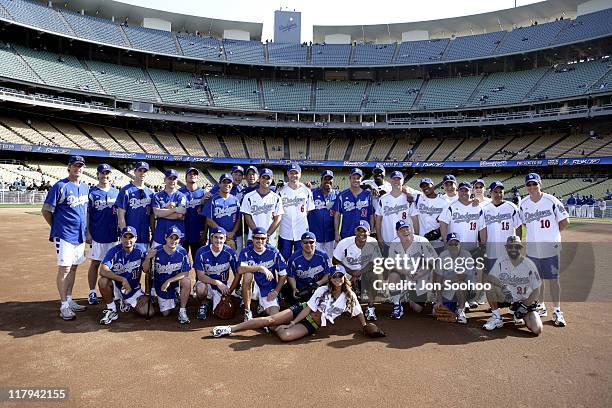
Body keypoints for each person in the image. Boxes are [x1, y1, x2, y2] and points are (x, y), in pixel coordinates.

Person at [211, 265, 367, 341]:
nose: (338, 279)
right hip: (302, 310)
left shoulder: (349, 296)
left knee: (284, 336)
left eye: (340, 276)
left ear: (344, 278)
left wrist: (365, 326)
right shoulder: (322, 291)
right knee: (270, 319)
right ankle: (229, 329)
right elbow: (308, 310)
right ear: (331, 278)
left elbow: (358, 312)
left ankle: (271, 327)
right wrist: (292, 322)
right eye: (335, 276)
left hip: (312, 324)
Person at [41, 155, 89, 321]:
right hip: (65, 235)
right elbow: (46, 210)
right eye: (75, 166)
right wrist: (56, 227)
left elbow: (85, 212)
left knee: (74, 268)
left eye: (81, 166)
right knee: (65, 268)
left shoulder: (85, 187)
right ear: (69, 167)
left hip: (80, 235)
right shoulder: (60, 186)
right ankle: (63, 306)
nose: (78, 168)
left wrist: (87, 232)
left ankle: (69, 299)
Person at [519, 173, 569, 327]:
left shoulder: (551, 200)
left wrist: (553, 235)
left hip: (550, 247)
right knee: (537, 279)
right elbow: (525, 224)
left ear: (540, 184)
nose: (532, 187)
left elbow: (564, 221)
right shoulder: (524, 203)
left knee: (553, 279)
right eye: (529, 185)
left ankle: (557, 310)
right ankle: (541, 305)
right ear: (526, 187)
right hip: (533, 248)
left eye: (535, 184)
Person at [483, 236, 543, 335]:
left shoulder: (529, 265)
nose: (513, 249)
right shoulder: (500, 261)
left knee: (537, 329)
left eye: (516, 247)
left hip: (524, 301)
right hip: (507, 297)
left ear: (521, 248)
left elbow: (537, 290)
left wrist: (524, 305)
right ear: (506, 248)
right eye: (510, 247)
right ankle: (497, 317)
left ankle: (518, 313)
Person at [98, 226, 150, 325]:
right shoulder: (114, 251)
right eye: (125, 237)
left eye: (130, 237)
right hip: (116, 286)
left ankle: (125, 301)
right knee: (103, 281)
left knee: (148, 312)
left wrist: (146, 294)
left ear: (136, 238)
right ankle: (112, 309)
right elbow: (102, 270)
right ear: (121, 238)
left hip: (133, 288)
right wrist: (122, 279)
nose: (127, 240)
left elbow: (147, 271)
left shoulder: (141, 250)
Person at [387, 220, 437, 319]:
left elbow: (434, 260)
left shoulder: (422, 241)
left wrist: (422, 272)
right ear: (397, 233)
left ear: (412, 229)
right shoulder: (394, 244)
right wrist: (407, 272)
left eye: (407, 228)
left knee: (417, 309)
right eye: (402, 230)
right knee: (393, 275)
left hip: (421, 276)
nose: (405, 231)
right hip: (405, 275)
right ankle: (397, 305)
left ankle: (432, 298)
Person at [142, 226, 192, 324]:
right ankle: (174, 298)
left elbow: (185, 272)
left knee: (187, 281)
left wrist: (169, 281)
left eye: (176, 238)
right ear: (165, 238)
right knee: (165, 313)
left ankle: (182, 310)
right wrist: (148, 258)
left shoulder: (182, 252)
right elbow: (145, 269)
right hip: (160, 285)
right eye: (171, 238)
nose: (173, 241)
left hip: (173, 283)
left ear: (179, 239)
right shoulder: (156, 251)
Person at [333, 220, 382, 321]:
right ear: (355, 232)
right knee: (336, 277)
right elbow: (335, 260)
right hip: (347, 271)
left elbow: (375, 261)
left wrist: (359, 273)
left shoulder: (373, 242)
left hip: (363, 271)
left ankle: (370, 308)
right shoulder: (344, 243)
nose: (361, 234)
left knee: (374, 275)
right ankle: (343, 304)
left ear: (369, 232)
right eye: (359, 231)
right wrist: (351, 273)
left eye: (364, 231)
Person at [238, 227, 288, 321]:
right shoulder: (246, 251)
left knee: (275, 316)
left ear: (266, 239)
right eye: (257, 238)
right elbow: (240, 270)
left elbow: (283, 274)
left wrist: (276, 291)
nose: (260, 241)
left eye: (263, 238)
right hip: (252, 286)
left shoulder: (273, 252)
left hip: (267, 287)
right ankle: (247, 310)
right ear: (252, 239)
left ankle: (262, 308)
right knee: (248, 274)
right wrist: (260, 268)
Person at [86, 163, 119, 305]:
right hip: (97, 233)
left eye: (107, 173)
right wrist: (88, 232)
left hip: (113, 234)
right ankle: (92, 291)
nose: (105, 176)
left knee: (115, 264)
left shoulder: (116, 192)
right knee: (95, 263)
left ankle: (116, 291)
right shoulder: (92, 193)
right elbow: (87, 214)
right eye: (102, 173)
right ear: (97, 175)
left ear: (110, 175)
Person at [193, 227, 239, 320]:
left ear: (225, 239)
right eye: (216, 237)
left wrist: (230, 290)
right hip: (207, 284)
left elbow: (237, 274)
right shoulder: (202, 251)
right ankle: (203, 303)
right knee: (200, 289)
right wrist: (218, 283)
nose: (218, 240)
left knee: (219, 312)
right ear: (211, 238)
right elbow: (201, 277)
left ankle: (215, 301)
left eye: (221, 238)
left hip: (223, 287)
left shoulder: (230, 252)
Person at [433, 233, 475, 324]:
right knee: (441, 311)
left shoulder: (466, 254)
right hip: (449, 288)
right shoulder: (442, 256)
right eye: (450, 244)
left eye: (456, 244)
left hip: (467, 288)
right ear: (447, 245)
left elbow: (464, 275)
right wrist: (439, 300)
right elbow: (438, 279)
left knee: (461, 284)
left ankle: (461, 310)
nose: (453, 246)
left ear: (460, 244)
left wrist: (448, 281)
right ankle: (452, 305)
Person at [375, 171, 417, 256]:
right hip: (388, 239)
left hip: (406, 241)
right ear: (390, 181)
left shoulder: (409, 198)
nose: (396, 181)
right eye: (394, 179)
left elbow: (415, 219)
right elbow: (378, 220)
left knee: (408, 266)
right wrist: (379, 237)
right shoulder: (383, 199)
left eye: (398, 179)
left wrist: (417, 236)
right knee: (389, 267)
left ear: (403, 181)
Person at [278, 164, 315, 260]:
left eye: (296, 173)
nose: (294, 175)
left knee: (301, 258)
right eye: (291, 173)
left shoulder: (306, 190)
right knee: (284, 258)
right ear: (287, 174)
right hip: (285, 230)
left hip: (301, 231)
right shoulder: (281, 190)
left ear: (300, 174)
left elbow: (308, 210)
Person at [438, 181, 487, 253]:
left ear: (470, 191)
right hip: (454, 248)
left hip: (472, 248)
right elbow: (443, 223)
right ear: (458, 191)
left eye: (466, 190)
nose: (464, 193)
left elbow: (482, 228)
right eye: (461, 190)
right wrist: (446, 242)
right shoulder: (450, 206)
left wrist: (483, 246)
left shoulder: (478, 207)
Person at [116, 162, 154, 252]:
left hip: (144, 235)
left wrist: (153, 232)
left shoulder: (150, 193)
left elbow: (152, 216)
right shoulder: (126, 190)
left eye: (144, 171)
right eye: (140, 170)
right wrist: (124, 235)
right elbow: (121, 216)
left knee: (144, 263)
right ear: (135, 172)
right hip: (129, 236)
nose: (142, 173)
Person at [240, 168, 284, 246]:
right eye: (263, 177)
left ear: (271, 180)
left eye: (268, 178)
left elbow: (278, 219)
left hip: (269, 239)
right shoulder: (248, 196)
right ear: (259, 179)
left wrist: (267, 235)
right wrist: (257, 234)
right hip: (253, 237)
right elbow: (247, 217)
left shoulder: (276, 198)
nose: (265, 180)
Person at [286, 232, 331, 303]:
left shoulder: (323, 256)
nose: (308, 245)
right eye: (305, 242)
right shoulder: (294, 258)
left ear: (315, 243)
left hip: (319, 287)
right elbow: (291, 275)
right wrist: (294, 288)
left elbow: (328, 273)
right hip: (301, 289)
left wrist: (318, 284)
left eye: (311, 242)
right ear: (301, 243)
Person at [333, 168, 375, 242]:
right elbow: (337, 215)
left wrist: (371, 230)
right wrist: (336, 233)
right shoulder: (342, 195)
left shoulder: (368, 195)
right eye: (354, 178)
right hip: (347, 232)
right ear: (350, 179)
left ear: (361, 179)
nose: (356, 180)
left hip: (364, 233)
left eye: (358, 178)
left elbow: (371, 215)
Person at [204, 173, 241, 250]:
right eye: (224, 182)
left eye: (229, 182)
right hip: (216, 237)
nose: (227, 184)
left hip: (231, 237)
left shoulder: (235, 200)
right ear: (219, 184)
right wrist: (223, 233)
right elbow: (209, 220)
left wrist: (233, 232)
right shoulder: (213, 199)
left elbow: (239, 219)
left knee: (230, 258)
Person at [152, 169, 187, 247]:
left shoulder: (181, 196)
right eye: (169, 178)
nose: (172, 181)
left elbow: (179, 215)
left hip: (176, 236)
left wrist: (162, 212)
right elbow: (157, 213)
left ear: (177, 180)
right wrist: (174, 209)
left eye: (174, 179)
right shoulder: (157, 196)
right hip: (160, 234)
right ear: (165, 180)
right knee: (157, 258)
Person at [412, 178, 448, 253]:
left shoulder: (443, 201)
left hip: (438, 241)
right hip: (422, 241)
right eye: (423, 186)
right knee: (423, 264)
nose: (425, 188)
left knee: (438, 263)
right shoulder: (418, 198)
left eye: (427, 185)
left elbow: (447, 220)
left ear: (433, 186)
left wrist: (438, 232)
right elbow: (404, 189)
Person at [308, 170, 337, 258]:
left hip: (330, 235)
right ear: (321, 180)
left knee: (329, 259)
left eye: (330, 179)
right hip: (315, 234)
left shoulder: (337, 195)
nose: (327, 181)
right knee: (315, 259)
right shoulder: (312, 193)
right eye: (325, 179)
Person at [179, 167, 207, 256]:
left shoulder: (204, 193)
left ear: (198, 177)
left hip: (199, 233)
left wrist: (205, 233)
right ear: (185, 177)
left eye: (194, 174)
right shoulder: (179, 193)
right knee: (181, 262)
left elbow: (208, 216)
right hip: (183, 232)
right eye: (190, 174)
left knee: (199, 263)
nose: (192, 175)